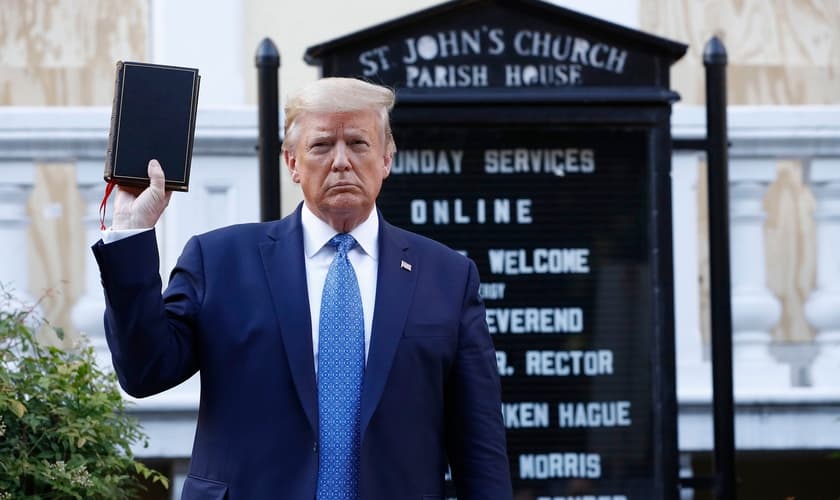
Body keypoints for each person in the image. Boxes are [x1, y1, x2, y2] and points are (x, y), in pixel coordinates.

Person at [93, 77, 512, 500]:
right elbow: (145, 372)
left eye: (359, 144)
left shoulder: (447, 276)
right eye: (322, 145)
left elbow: (480, 447)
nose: (342, 161)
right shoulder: (221, 261)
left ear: (387, 158)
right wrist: (132, 232)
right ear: (292, 162)